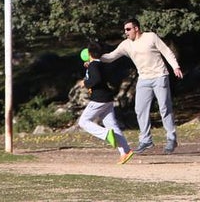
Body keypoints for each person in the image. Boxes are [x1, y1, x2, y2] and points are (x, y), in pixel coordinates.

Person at [101, 17, 184, 154]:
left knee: (165, 108)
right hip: (144, 79)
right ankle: (146, 140)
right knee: (140, 109)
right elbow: (110, 57)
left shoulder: (150, 37)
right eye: (125, 30)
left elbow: (166, 51)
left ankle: (171, 138)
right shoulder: (126, 44)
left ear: (136, 28)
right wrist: (96, 57)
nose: (126, 32)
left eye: (128, 29)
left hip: (159, 76)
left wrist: (175, 66)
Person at [78, 42, 135, 164]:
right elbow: (98, 74)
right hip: (107, 99)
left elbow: (96, 79)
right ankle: (125, 151)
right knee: (112, 125)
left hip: (99, 99)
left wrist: (85, 83)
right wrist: (90, 67)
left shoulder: (94, 66)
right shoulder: (99, 64)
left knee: (83, 122)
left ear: (89, 54)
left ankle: (105, 134)